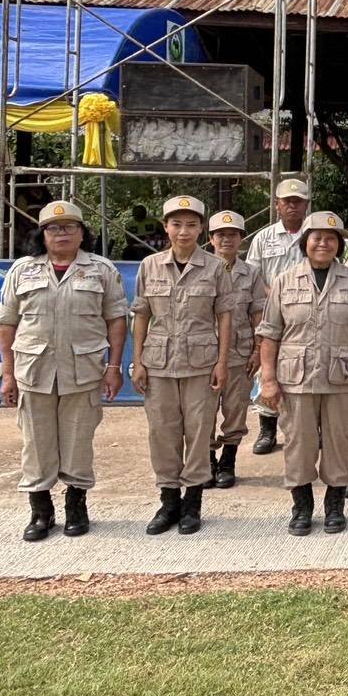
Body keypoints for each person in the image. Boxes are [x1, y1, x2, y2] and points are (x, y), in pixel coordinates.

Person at [0, 200, 128, 541]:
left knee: (78, 441)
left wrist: (114, 367)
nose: (62, 233)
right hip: (33, 371)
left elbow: (116, 320)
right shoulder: (22, 270)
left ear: (83, 233)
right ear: (42, 235)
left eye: (70, 227)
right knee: (36, 443)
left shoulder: (101, 270)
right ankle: (41, 512)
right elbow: (7, 323)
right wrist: (8, 375)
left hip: (83, 371)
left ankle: (76, 507)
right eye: (53, 228)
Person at [256, 211, 348, 536]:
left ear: (339, 245)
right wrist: (268, 379)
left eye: (331, 238)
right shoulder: (285, 281)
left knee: (340, 442)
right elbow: (270, 333)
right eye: (317, 237)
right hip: (296, 379)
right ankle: (302, 506)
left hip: (342, 377)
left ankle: (335, 506)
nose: (323, 243)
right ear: (304, 242)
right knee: (299, 444)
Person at [129, 197, 234, 535]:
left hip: (201, 363)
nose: (183, 231)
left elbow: (225, 316)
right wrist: (137, 361)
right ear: (166, 227)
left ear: (202, 228)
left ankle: (193, 502)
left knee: (199, 432)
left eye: (191, 224)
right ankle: (169, 500)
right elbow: (141, 315)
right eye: (176, 224)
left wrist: (222, 362)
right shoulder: (150, 265)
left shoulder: (215, 267)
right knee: (162, 432)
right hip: (158, 363)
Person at [245, 177, 312, 454]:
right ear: (277, 205)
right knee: (267, 366)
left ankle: (308, 428)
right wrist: (276, 294)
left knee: (307, 365)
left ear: (306, 205)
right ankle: (267, 428)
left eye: (298, 201)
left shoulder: (316, 234)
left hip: (307, 313)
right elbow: (253, 275)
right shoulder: (263, 238)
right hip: (271, 312)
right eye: (287, 201)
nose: (292, 206)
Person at [205, 210, 267, 490]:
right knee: (203, 410)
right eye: (221, 234)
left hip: (239, 353)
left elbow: (257, 313)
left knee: (235, 408)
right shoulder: (201, 269)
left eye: (232, 234)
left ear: (241, 239)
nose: (226, 239)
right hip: (204, 352)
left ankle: (228, 460)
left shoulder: (251, 273)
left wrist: (257, 350)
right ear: (211, 239)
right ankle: (207, 460)